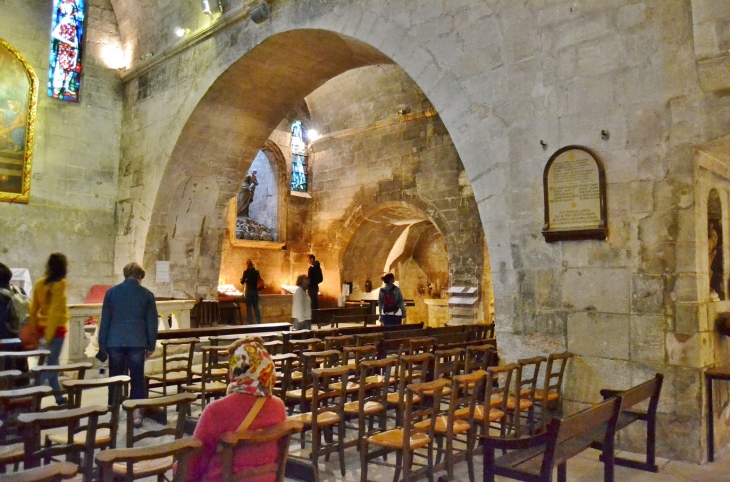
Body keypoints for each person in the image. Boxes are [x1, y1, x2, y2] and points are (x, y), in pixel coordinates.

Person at [185, 338, 286, 482]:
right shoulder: (279, 406)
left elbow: (193, 464)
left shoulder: (216, 410)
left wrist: (176, 468)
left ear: (235, 371)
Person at [98, 262, 158, 427]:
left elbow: (105, 321)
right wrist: (151, 345)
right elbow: (152, 323)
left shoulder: (111, 292)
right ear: (140, 276)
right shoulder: (147, 294)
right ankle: (137, 413)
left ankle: (113, 411)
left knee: (115, 378)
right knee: (137, 378)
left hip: (115, 341)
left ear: (125, 275)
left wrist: (102, 344)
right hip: (137, 342)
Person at [29, 253, 70, 405]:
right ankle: (31, 391)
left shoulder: (40, 283)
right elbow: (54, 311)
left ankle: (59, 397)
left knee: (53, 363)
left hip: (42, 327)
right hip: (55, 331)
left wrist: (35, 328)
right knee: (51, 366)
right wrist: (49, 335)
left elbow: (33, 309)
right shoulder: (61, 284)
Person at [240, 259, 262, 324]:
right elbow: (259, 280)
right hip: (255, 291)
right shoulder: (257, 271)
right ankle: (259, 321)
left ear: (247, 265)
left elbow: (242, 282)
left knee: (249, 308)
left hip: (248, 291)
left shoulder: (246, 272)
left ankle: (249, 322)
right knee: (256, 307)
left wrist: (243, 280)